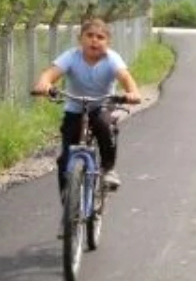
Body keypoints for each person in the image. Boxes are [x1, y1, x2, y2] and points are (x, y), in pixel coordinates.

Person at [32, 18, 141, 195]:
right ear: (80, 39)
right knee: (65, 159)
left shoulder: (112, 59)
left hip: (102, 105)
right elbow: (50, 74)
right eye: (89, 35)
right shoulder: (71, 56)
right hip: (75, 107)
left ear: (108, 42)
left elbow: (126, 78)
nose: (94, 40)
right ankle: (68, 205)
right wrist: (44, 84)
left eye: (100, 37)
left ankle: (108, 169)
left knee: (105, 126)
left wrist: (133, 93)